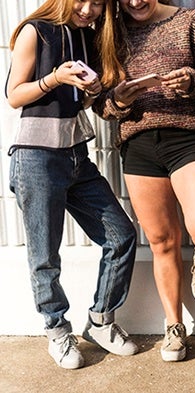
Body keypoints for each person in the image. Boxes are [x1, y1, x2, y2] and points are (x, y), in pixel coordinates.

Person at [93, 0, 195, 362]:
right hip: (138, 143)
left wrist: (192, 80)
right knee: (161, 241)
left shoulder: (191, 22)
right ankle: (174, 326)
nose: (135, 1)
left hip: (189, 135)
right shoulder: (109, 33)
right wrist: (117, 101)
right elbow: (99, 104)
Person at [6, 0, 138, 370]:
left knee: (121, 236)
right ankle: (56, 329)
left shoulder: (89, 38)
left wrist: (95, 89)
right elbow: (14, 94)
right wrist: (53, 79)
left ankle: (100, 321)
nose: (87, 8)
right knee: (44, 257)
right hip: (36, 157)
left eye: (97, 3)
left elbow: (82, 103)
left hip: (77, 154)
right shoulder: (35, 31)